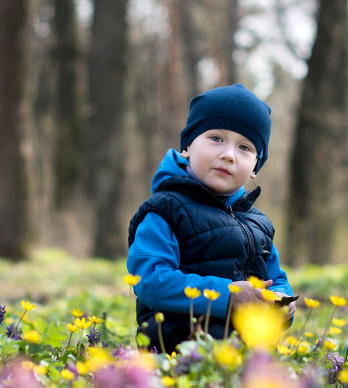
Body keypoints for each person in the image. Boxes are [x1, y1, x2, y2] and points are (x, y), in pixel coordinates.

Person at [126, 83, 296, 353]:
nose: (228, 154)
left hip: (246, 358)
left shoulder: (258, 224)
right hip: (178, 352)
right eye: (216, 138)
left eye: (244, 147)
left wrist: (282, 301)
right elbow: (149, 281)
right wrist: (227, 297)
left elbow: (276, 278)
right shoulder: (165, 209)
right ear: (187, 147)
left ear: (255, 167)